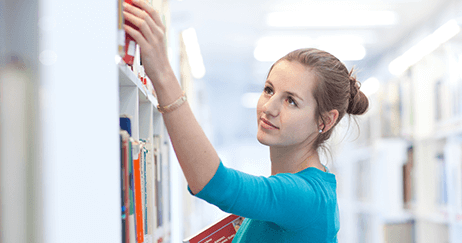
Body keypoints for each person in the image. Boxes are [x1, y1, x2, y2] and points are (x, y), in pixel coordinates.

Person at [123, 1, 369, 242]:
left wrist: (163, 74)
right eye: (269, 90)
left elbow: (217, 184)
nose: (269, 108)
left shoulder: (307, 197)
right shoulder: (297, 189)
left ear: (325, 120)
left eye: (291, 101)